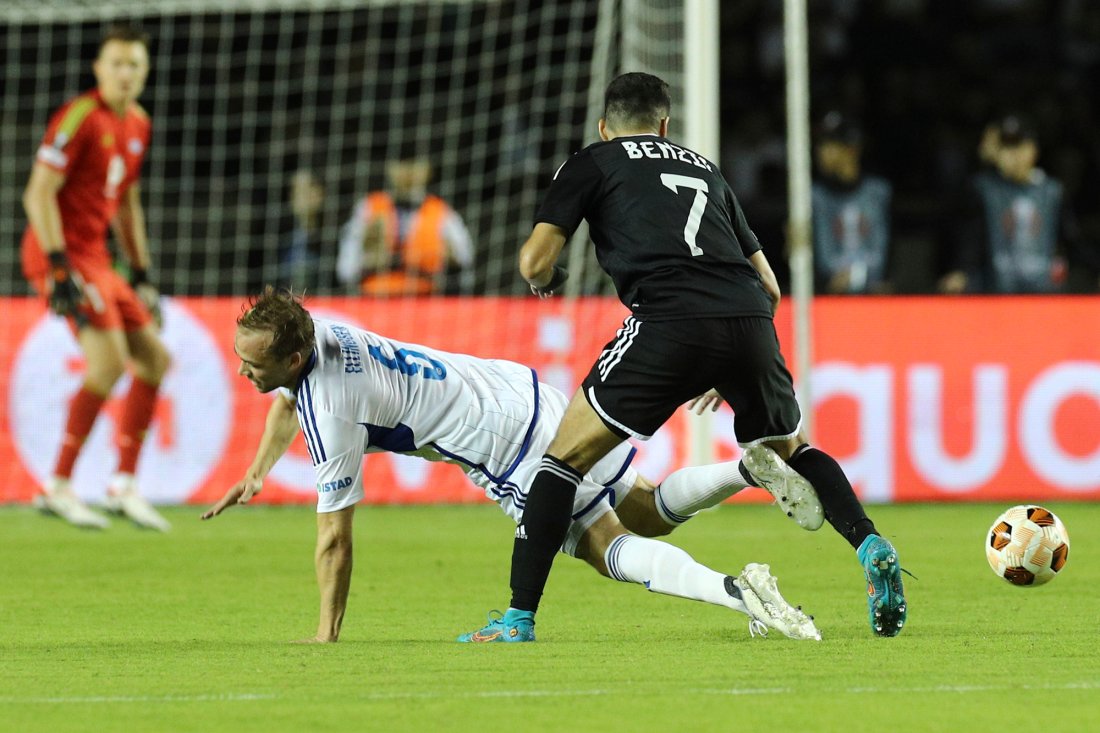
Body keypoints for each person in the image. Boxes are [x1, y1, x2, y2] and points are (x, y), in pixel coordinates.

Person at [461, 72, 907, 642]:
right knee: (792, 447)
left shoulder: (592, 161)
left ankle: (518, 619)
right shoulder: (703, 167)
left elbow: (532, 262)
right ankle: (869, 542)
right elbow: (769, 286)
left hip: (667, 319)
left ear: (604, 126)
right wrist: (729, 359)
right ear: (665, 124)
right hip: (746, 318)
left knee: (562, 461)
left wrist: (551, 277)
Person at [201, 287, 821, 643]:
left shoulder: (332, 406)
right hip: (520, 391)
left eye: (251, 363)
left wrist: (325, 634)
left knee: (602, 545)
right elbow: (287, 397)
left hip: (502, 444)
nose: (241, 371)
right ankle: (748, 469)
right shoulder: (323, 334)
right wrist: (257, 471)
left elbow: (334, 537)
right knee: (646, 508)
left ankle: (741, 594)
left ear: (294, 355)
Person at [20, 23, 171, 532]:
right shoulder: (80, 116)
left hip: (100, 260)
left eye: (134, 65)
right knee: (107, 364)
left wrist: (144, 272)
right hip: (61, 254)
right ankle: (56, 485)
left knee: (155, 358)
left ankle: (123, 485)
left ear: (145, 72)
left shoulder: (139, 124)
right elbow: (38, 193)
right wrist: (59, 263)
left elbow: (127, 202)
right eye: (116, 64)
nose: (125, 73)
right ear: (99, 69)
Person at [939, 113, 1079, 294]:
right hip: (996, 294)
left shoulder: (1051, 192)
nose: (1013, 154)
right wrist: (961, 271)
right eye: (1006, 147)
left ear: (1033, 149)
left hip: (1044, 295)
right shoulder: (983, 189)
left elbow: (1072, 240)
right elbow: (966, 238)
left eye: (1018, 146)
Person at [336, 156, 474, 296]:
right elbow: (344, 270)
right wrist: (367, 258)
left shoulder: (442, 212)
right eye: (402, 164)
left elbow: (466, 266)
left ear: (428, 170)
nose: (408, 172)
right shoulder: (369, 208)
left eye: (415, 164)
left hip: (426, 300)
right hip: (374, 300)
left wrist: (450, 257)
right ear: (389, 169)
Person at [811, 110, 893, 294]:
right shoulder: (815, 197)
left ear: (852, 149)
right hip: (829, 297)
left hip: (876, 296)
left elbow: (885, 257)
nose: (821, 153)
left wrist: (858, 277)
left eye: (829, 145)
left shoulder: (878, 192)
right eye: (820, 145)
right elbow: (822, 261)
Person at [277, 169, 328, 292]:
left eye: (310, 188)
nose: (305, 196)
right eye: (297, 191)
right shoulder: (281, 241)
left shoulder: (334, 237)